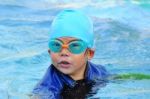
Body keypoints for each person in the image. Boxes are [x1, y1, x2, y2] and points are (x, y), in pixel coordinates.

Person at [32, 9, 109, 99]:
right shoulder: (49, 85)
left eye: (74, 46)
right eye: (57, 45)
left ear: (89, 53)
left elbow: (115, 78)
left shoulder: (98, 71)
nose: (64, 52)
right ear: (50, 52)